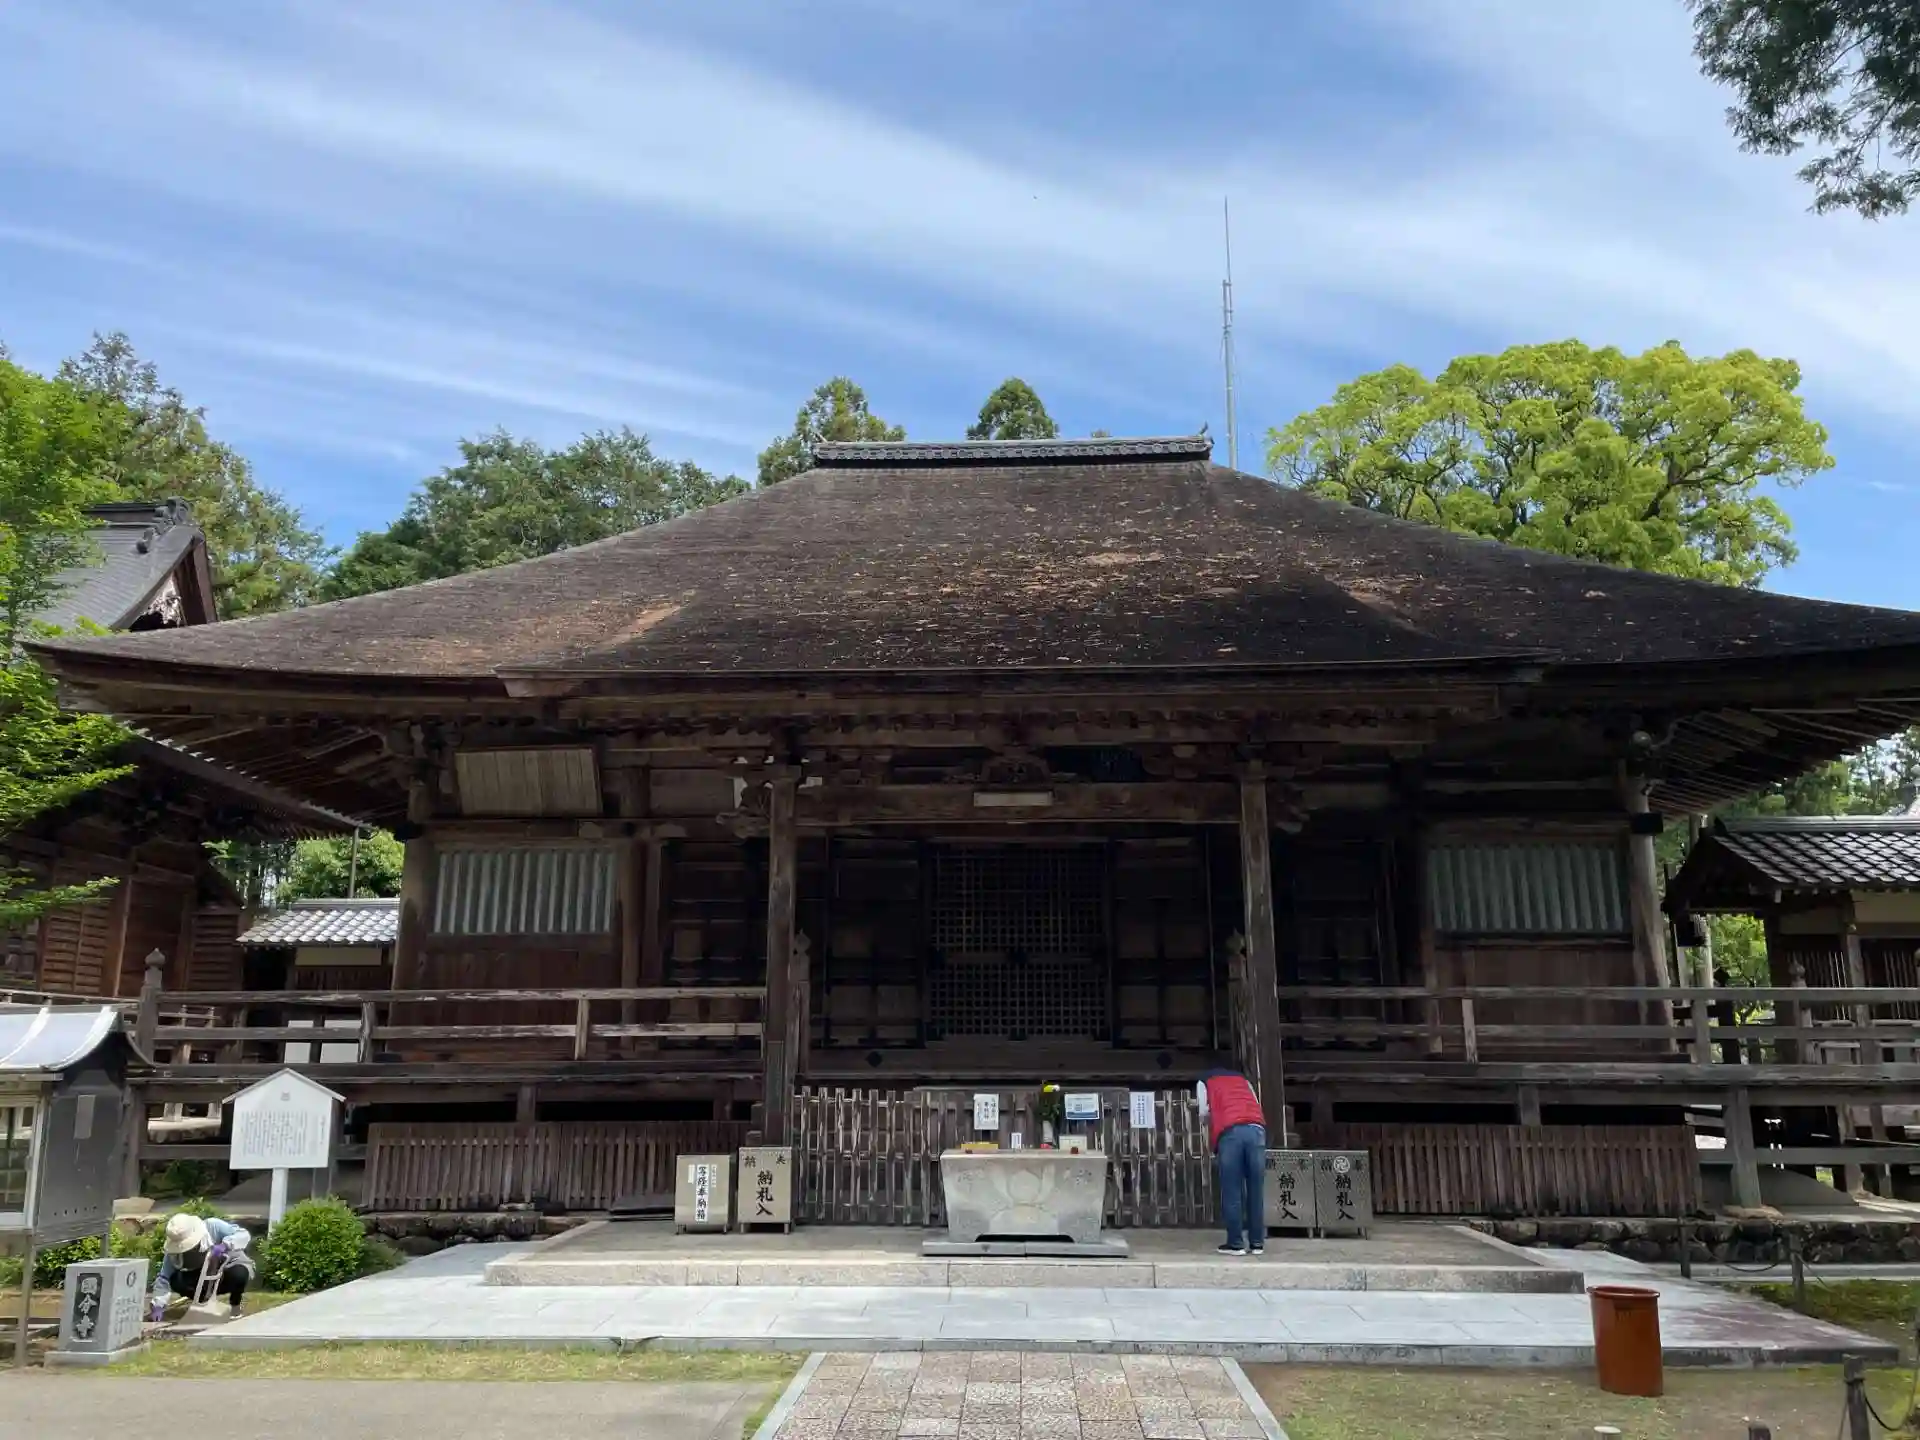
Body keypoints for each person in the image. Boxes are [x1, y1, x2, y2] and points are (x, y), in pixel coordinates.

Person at [1196, 1067, 1266, 1255]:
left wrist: (1212, 1123)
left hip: (1230, 1131)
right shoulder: (1244, 1081)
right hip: (1257, 1130)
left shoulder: (1205, 1081)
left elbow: (1203, 1113)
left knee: (1232, 1189)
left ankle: (1236, 1244)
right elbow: (1255, 1103)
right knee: (1256, 1190)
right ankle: (1257, 1244)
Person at [149, 1212, 254, 1321]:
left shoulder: (213, 1226)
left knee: (239, 1274)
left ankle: (235, 1305)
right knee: (176, 1280)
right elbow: (164, 1277)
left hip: (227, 1269)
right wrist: (158, 1304)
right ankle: (203, 1304)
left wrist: (225, 1245)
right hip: (202, 1277)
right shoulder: (174, 1253)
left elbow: (243, 1234)